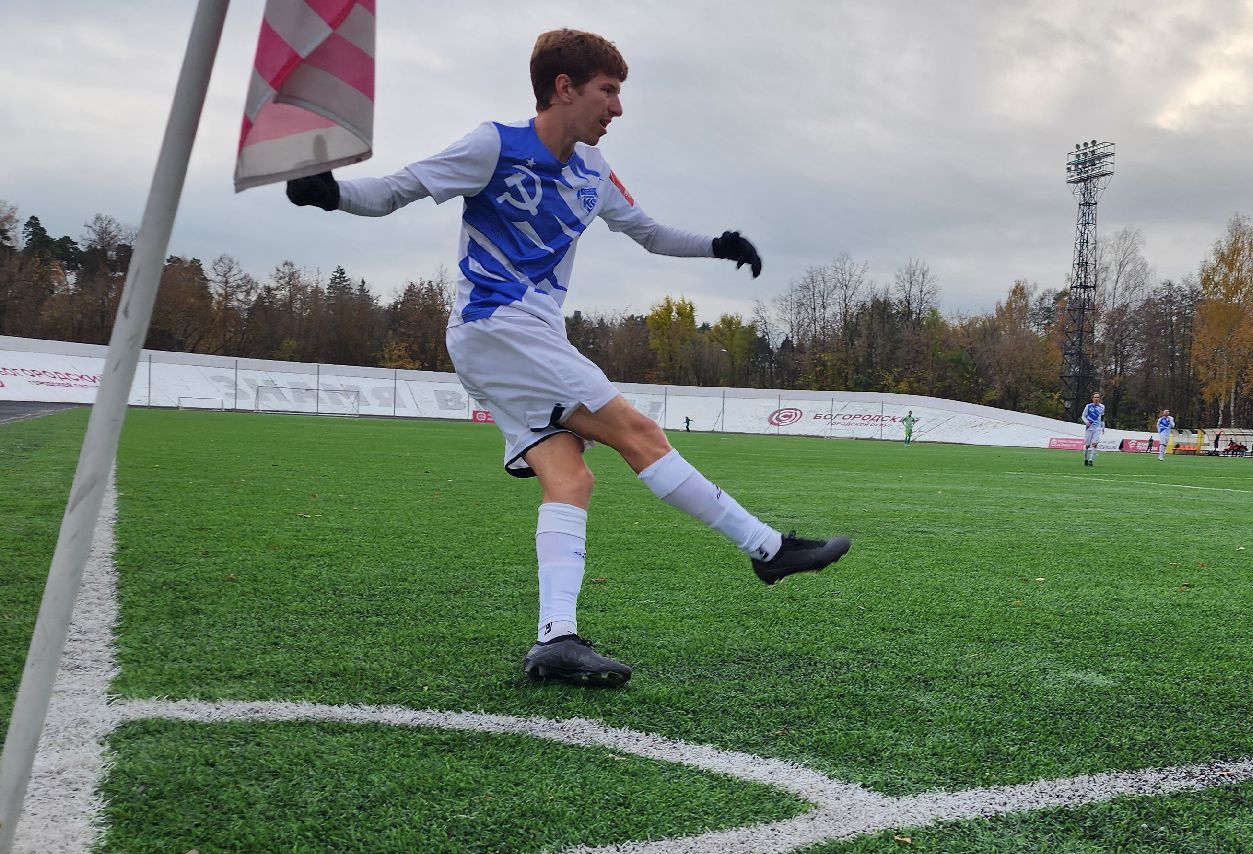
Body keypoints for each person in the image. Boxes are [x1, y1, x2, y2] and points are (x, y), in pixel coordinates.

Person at [283, 29, 849, 687]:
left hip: (518, 340)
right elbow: (397, 189)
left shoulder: (593, 170)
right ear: (564, 88)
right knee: (639, 434)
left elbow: (649, 232)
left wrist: (718, 245)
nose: (617, 108)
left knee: (570, 479)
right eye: (608, 91)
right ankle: (767, 548)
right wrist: (331, 192)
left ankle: (556, 639)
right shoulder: (494, 145)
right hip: (499, 326)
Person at [1082, 392, 1105, 467]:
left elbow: (1102, 418)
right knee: (1087, 445)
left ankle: (1091, 460)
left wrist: (1103, 427)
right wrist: (1086, 422)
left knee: (1095, 444)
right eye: (1095, 397)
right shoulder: (1088, 406)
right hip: (1089, 428)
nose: (1096, 399)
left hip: (1097, 429)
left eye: (1098, 397)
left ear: (1099, 399)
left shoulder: (1102, 407)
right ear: (1092, 398)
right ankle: (1086, 459)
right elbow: (1083, 416)